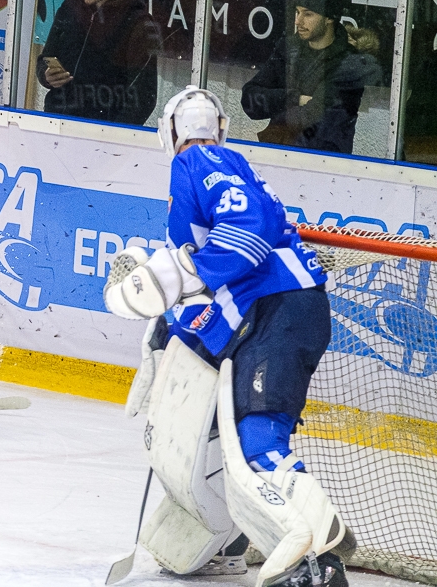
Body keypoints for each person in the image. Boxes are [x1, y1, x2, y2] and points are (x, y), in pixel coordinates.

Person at [104, 87, 354, 586]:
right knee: (217, 429)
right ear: (219, 125)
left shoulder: (198, 161)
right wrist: (170, 335)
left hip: (279, 309)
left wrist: (186, 274)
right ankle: (230, 540)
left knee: (258, 439)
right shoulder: (216, 167)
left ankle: (317, 559)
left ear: (170, 131)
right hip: (271, 312)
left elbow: (251, 232)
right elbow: (210, 289)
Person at [241, 0, 379, 154]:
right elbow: (249, 100)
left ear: (329, 18)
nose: (298, 21)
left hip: (325, 160)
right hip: (278, 154)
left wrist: (276, 105)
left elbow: (316, 118)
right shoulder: (289, 49)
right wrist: (295, 98)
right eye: (297, 12)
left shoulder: (350, 62)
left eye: (308, 14)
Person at [37, 0, 160, 125]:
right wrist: (46, 75)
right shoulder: (69, 9)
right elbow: (44, 59)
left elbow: (144, 97)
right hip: (56, 123)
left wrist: (114, 133)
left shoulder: (137, 23)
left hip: (102, 129)